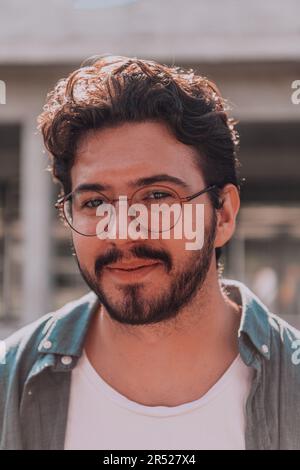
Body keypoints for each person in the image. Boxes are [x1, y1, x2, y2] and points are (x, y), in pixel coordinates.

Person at [1, 55, 300, 450]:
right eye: (95, 203)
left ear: (223, 215)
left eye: (158, 197)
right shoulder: (9, 383)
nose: (124, 232)